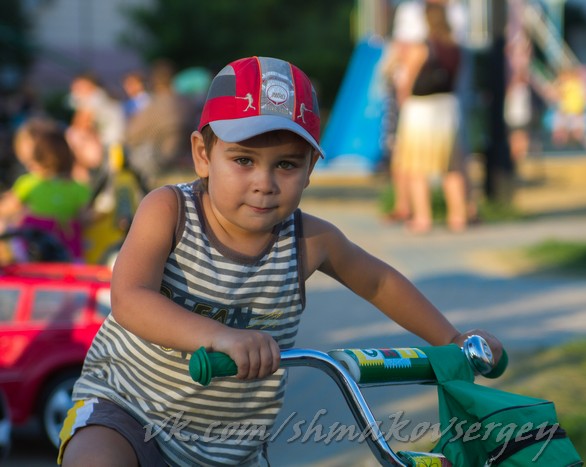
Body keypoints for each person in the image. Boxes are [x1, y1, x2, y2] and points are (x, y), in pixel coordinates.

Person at [57, 56, 504, 467]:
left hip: (229, 443)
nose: (264, 183)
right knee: (96, 459)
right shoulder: (170, 211)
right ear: (202, 155)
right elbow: (129, 297)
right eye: (244, 159)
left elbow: (378, 283)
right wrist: (218, 336)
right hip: (128, 408)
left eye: (286, 165)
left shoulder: (310, 240)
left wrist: (454, 340)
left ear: (311, 167)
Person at [391, 2, 468, 233]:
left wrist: (401, 98)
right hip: (448, 106)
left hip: (421, 108)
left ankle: (423, 218)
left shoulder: (422, 47)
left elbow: (407, 80)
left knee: (416, 166)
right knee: (451, 165)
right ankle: (458, 216)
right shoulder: (455, 47)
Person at [0, 117, 91, 262]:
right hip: (70, 252)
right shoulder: (78, 188)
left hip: (33, 252)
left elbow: (6, 208)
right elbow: (85, 218)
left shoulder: (29, 184)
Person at [124, 59, 192, 190]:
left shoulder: (153, 105)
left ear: (154, 81)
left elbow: (131, 135)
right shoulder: (187, 102)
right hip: (187, 157)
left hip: (159, 160)